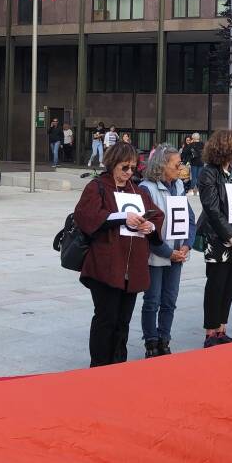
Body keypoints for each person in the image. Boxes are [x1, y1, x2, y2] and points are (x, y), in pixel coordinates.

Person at [74, 142, 164, 366]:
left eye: (133, 168)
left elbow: (156, 216)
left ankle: (117, 364)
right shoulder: (97, 186)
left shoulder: (138, 190)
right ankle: (99, 366)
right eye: (125, 167)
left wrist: (149, 227)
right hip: (105, 265)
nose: (130, 173)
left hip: (131, 266)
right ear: (112, 164)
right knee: (106, 318)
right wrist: (122, 217)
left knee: (123, 321)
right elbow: (86, 215)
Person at [195, 130, 232, 348]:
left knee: (231, 284)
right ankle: (211, 331)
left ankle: (222, 328)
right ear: (227, 147)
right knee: (216, 284)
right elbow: (212, 209)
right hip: (219, 239)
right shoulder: (209, 173)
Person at [139, 145, 196, 357]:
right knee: (152, 300)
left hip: (177, 254)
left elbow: (190, 219)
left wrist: (186, 245)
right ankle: (151, 341)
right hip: (156, 255)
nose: (181, 168)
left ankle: (164, 339)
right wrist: (167, 252)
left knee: (170, 300)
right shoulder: (147, 189)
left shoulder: (179, 185)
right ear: (162, 165)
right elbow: (147, 229)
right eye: (177, 164)